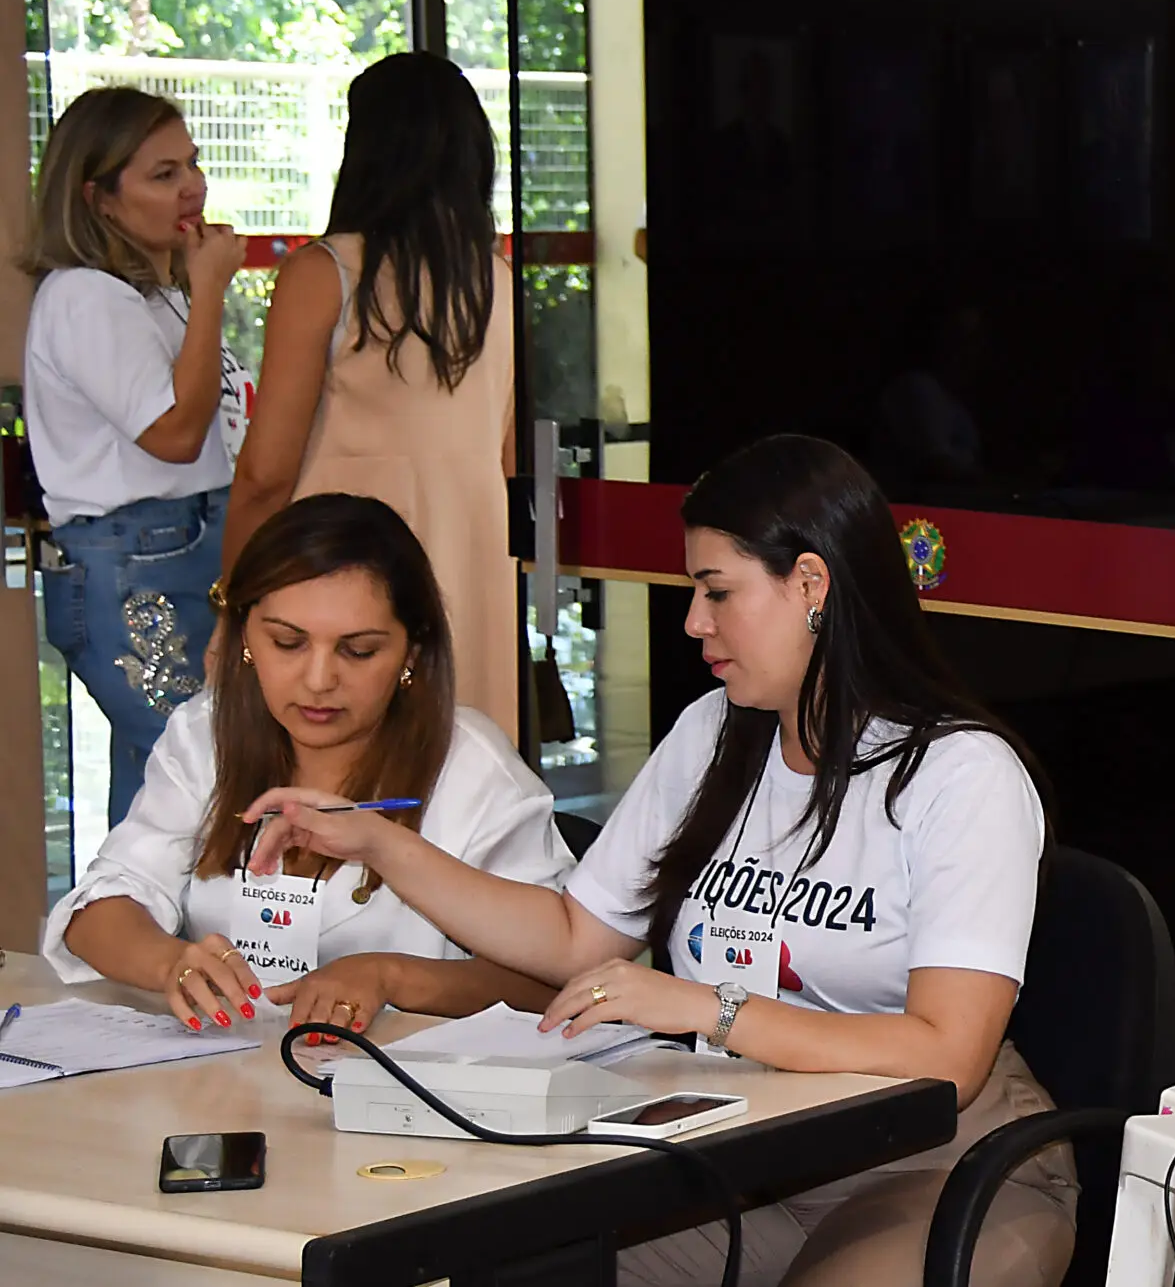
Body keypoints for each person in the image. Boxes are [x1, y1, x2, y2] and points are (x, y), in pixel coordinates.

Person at [248, 435, 1076, 1287]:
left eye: (717, 591)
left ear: (810, 585)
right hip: (755, 1154)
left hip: (940, 1166)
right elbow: (575, 935)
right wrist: (382, 842)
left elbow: (949, 1053)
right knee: (510, 1270)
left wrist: (704, 1006)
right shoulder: (713, 731)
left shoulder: (958, 773)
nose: (694, 622)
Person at [44, 493, 570, 1040]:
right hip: (221, 1074)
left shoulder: (477, 771)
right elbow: (98, 909)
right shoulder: (206, 732)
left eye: (359, 651)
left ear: (412, 652)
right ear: (245, 634)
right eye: (288, 642)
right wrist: (169, 963)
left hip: (407, 1097)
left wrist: (392, 977)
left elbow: (552, 981)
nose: (319, 680)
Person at [222, 51, 519, 741]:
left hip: (341, 567)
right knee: (456, 772)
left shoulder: (325, 271)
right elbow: (504, 454)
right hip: (472, 566)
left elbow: (268, 471)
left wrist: (234, 599)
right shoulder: (495, 281)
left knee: (341, 767)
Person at [21, 87, 255, 821]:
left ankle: (133, 929)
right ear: (100, 198)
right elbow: (175, 434)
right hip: (136, 563)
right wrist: (212, 285)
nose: (194, 185)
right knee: (192, 774)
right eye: (163, 173)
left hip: (185, 546)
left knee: (160, 782)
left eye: (193, 162)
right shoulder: (86, 298)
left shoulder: (155, 295)